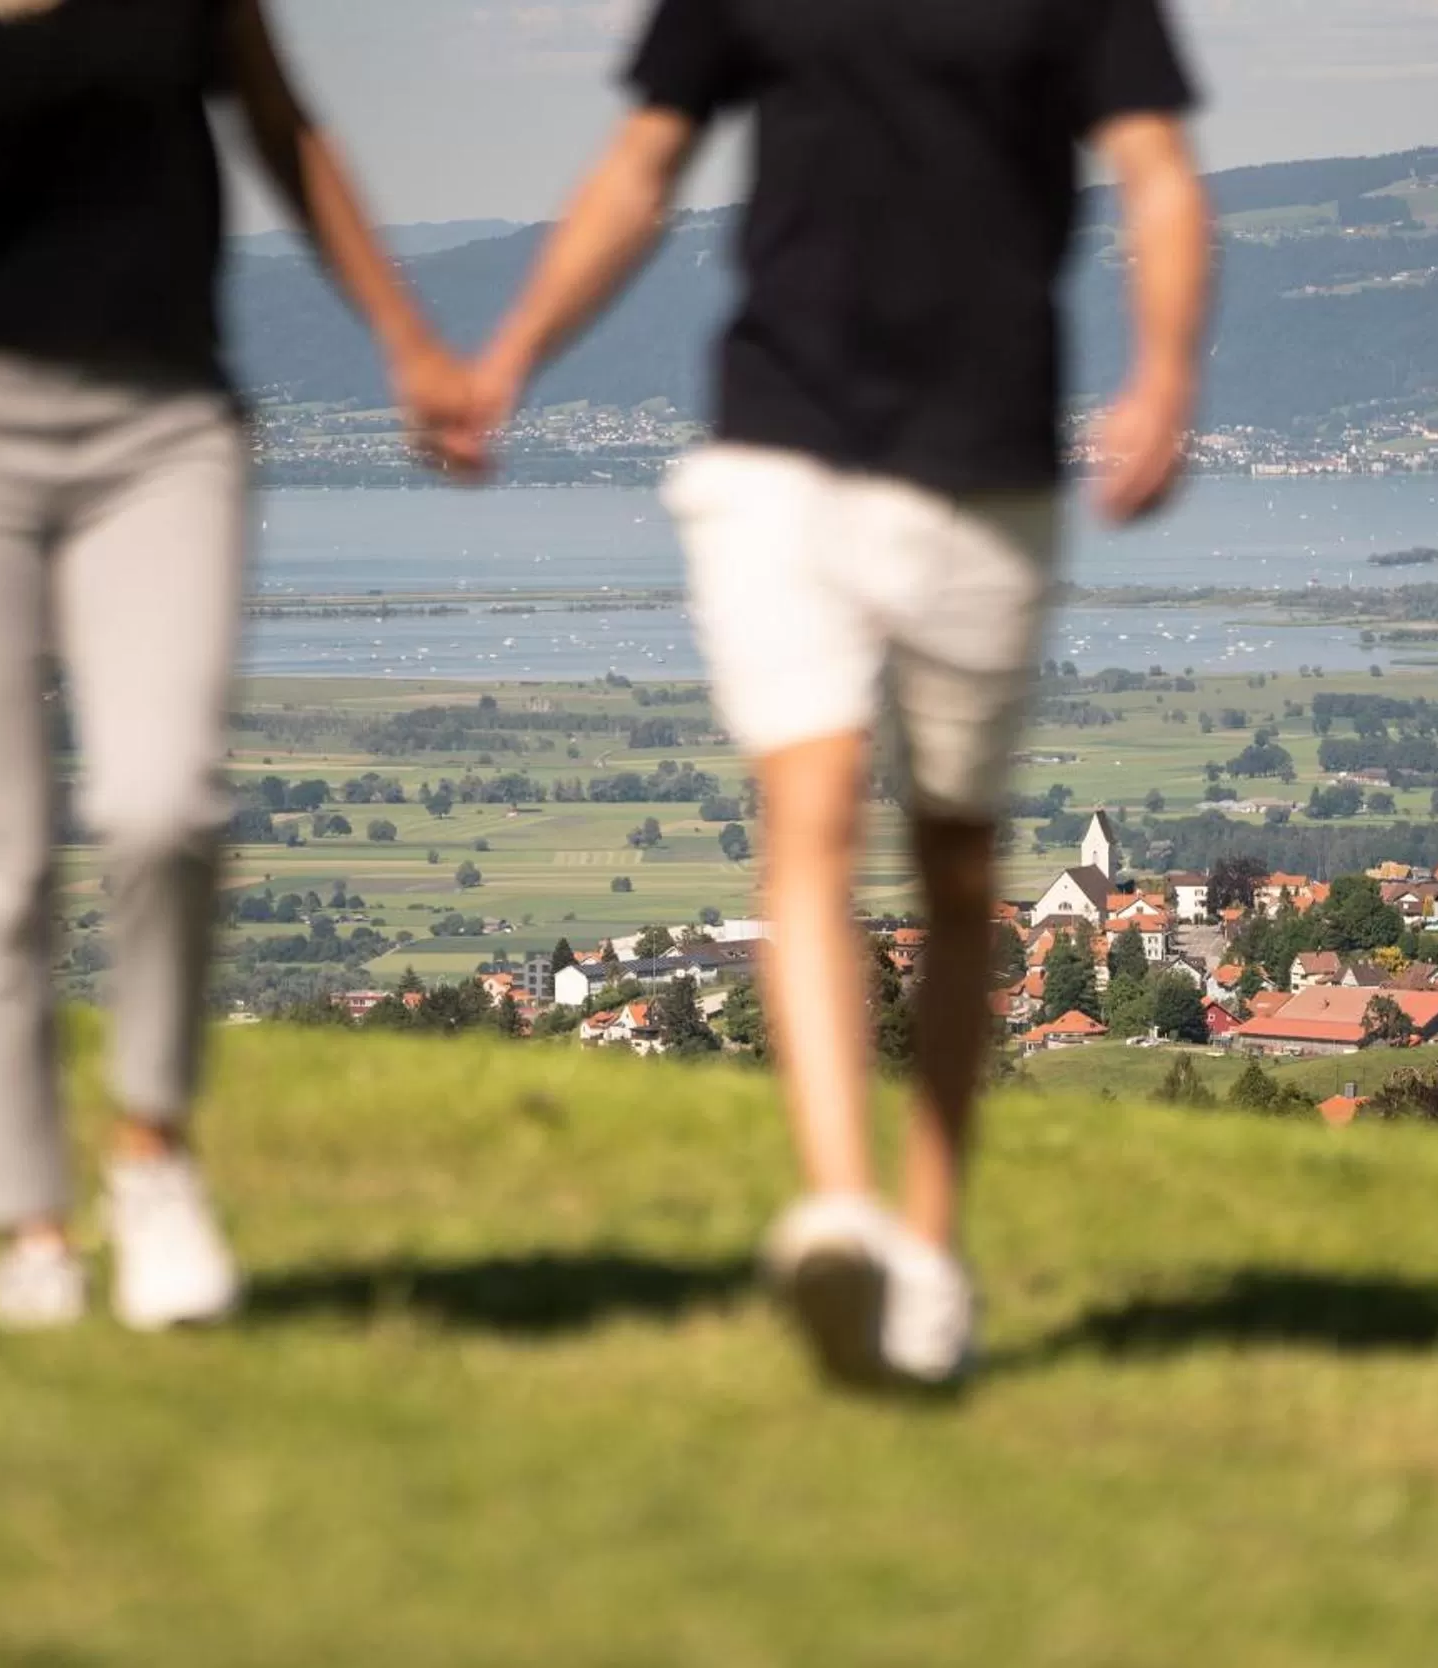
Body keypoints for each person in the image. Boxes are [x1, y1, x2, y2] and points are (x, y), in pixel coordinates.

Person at [454, 0, 1214, 1386]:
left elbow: (1157, 172)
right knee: (805, 810)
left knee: (955, 851)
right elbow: (642, 164)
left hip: (986, 460)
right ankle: (839, 1209)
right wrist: (509, 357)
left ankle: (926, 1247)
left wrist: (1166, 373)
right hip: (779, 445)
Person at [0, 0, 465, 1331]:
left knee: (165, 803)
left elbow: (287, 131)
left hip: (162, 425)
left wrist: (406, 339)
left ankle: (152, 1158)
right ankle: (31, 1230)